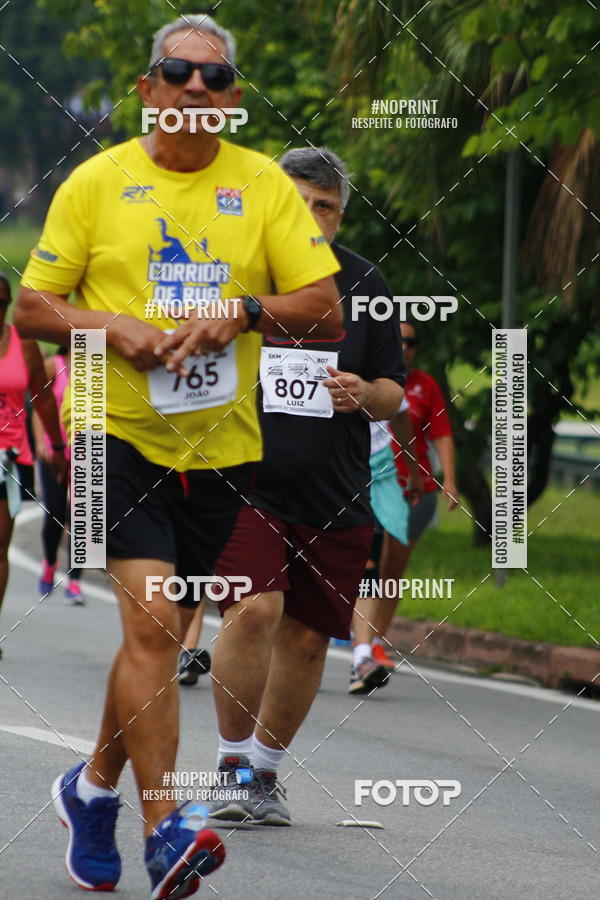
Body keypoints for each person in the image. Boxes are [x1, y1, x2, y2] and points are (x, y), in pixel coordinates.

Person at [15, 14, 341, 898]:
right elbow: (34, 310)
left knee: (148, 646)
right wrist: (113, 325)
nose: (198, 91)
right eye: (179, 74)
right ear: (148, 88)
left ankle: (89, 791)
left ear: (232, 99)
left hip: (223, 446)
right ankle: (165, 830)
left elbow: (325, 307)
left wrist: (241, 313)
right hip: (110, 428)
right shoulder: (97, 183)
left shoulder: (265, 189)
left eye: (216, 80)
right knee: (155, 626)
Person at [206, 147, 405, 827]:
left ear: (340, 216)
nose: (310, 216)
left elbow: (393, 396)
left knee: (309, 640)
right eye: (296, 201)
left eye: (324, 206)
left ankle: (264, 774)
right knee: (255, 611)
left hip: (335, 491)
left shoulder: (366, 284)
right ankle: (231, 765)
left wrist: (363, 393)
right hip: (244, 484)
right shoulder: (238, 279)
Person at [352, 320, 459, 666]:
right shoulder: (366, 379)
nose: (403, 348)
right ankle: (361, 641)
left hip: (414, 490)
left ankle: (373, 641)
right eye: (397, 341)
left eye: (410, 342)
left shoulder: (425, 386)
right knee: (368, 562)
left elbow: (441, 433)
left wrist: (451, 480)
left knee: (391, 569)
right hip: (365, 484)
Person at [0, 274, 67, 653]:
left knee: (0, 545)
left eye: (0, 303)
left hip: (8, 457)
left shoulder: (24, 345)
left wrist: (55, 446)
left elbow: (42, 400)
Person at [32, 347, 85, 605]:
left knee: (83, 519)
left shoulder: (97, 367)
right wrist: (42, 441)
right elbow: (40, 403)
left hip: (87, 453)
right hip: (55, 452)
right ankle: (50, 562)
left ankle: (74, 580)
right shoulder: (55, 365)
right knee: (55, 514)